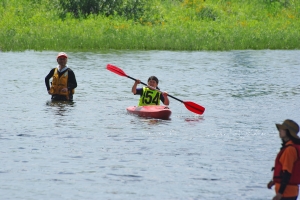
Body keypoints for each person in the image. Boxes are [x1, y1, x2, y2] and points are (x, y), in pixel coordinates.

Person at [267, 119, 300, 200]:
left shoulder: (290, 150)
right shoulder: (289, 147)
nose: (280, 130)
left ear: (288, 132)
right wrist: (274, 181)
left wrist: (279, 194)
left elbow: (287, 173)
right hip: (289, 192)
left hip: (286, 194)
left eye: (282, 129)